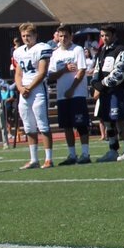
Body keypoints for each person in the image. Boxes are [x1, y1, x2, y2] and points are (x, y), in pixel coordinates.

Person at [12, 23, 53, 169]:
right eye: (23, 36)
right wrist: (20, 87)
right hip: (24, 91)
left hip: (37, 90)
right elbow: (18, 73)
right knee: (28, 126)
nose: (25, 38)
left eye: (28, 35)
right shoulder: (19, 52)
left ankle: (48, 159)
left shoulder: (42, 48)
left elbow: (42, 72)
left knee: (43, 124)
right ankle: (34, 159)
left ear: (35, 35)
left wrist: (28, 87)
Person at [47, 26, 91, 164]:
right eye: (60, 36)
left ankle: (85, 154)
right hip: (62, 95)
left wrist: (72, 89)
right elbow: (51, 75)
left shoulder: (77, 50)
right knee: (66, 125)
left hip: (77, 93)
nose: (63, 39)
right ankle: (72, 155)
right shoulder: (55, 54)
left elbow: (82, 70)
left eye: (66, 36)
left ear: (71, 36)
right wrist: (64, 70)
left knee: (81, 124)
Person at [91, 25, 124, 162]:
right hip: (105, 93)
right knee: (108, 121)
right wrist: (95, 83)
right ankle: (113, 149)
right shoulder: (101, 51)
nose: (105, 38)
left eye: (107, 35)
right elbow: (96, 70)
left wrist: (102, 84)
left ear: (114, 36)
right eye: (102, 36)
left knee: (121, 120)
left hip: (116, 92)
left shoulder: (121, 50)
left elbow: (120, 72)